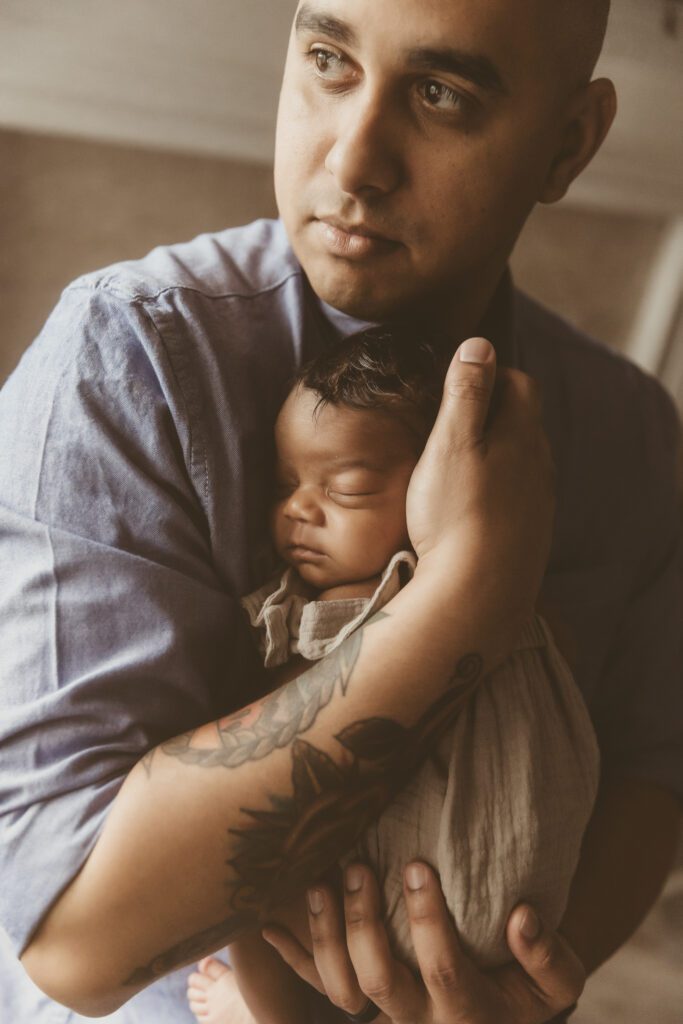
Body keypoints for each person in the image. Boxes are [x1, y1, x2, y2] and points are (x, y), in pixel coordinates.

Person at [0, 1, 681, 1023]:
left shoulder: (627, 430)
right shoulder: (126, 358)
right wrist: (460, 606)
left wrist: (528, 977)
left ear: (567, 143)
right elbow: (75, 946)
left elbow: (651, 766)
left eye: (439, 94)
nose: (351, 160)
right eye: (327, 60)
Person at [185, 331, 599, 1024]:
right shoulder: (522, 603)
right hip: (506, 934)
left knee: (233, 868)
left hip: (400, 914)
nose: (296, 509)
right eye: (285, 484)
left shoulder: (381, 595)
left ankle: (261, 1012)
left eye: (345, 488)